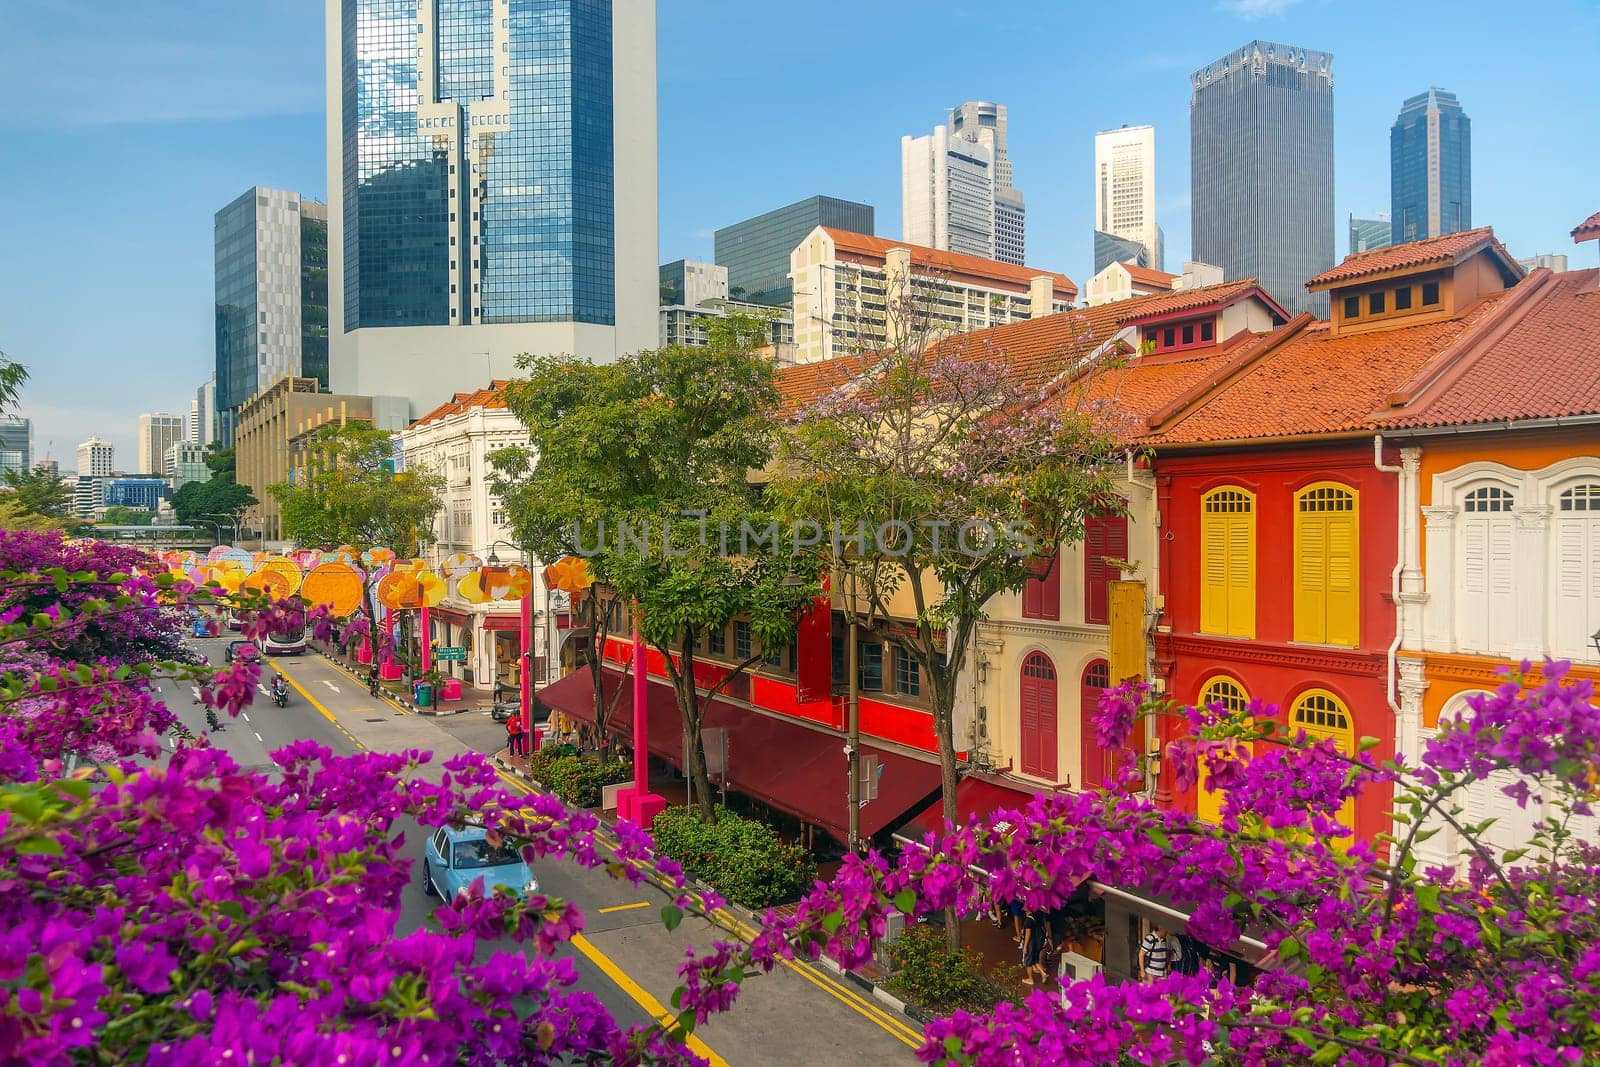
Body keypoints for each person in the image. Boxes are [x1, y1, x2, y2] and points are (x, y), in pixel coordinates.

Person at [1021, 909, 1049, 986]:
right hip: (1038, 943)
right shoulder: (1037, 918)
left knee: (1028, 962)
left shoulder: (1028, 920)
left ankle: (1030, 979)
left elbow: (1028, 935)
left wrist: (1025, 946)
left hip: (1031, 944)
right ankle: (1043, 973)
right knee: (1035, 960)